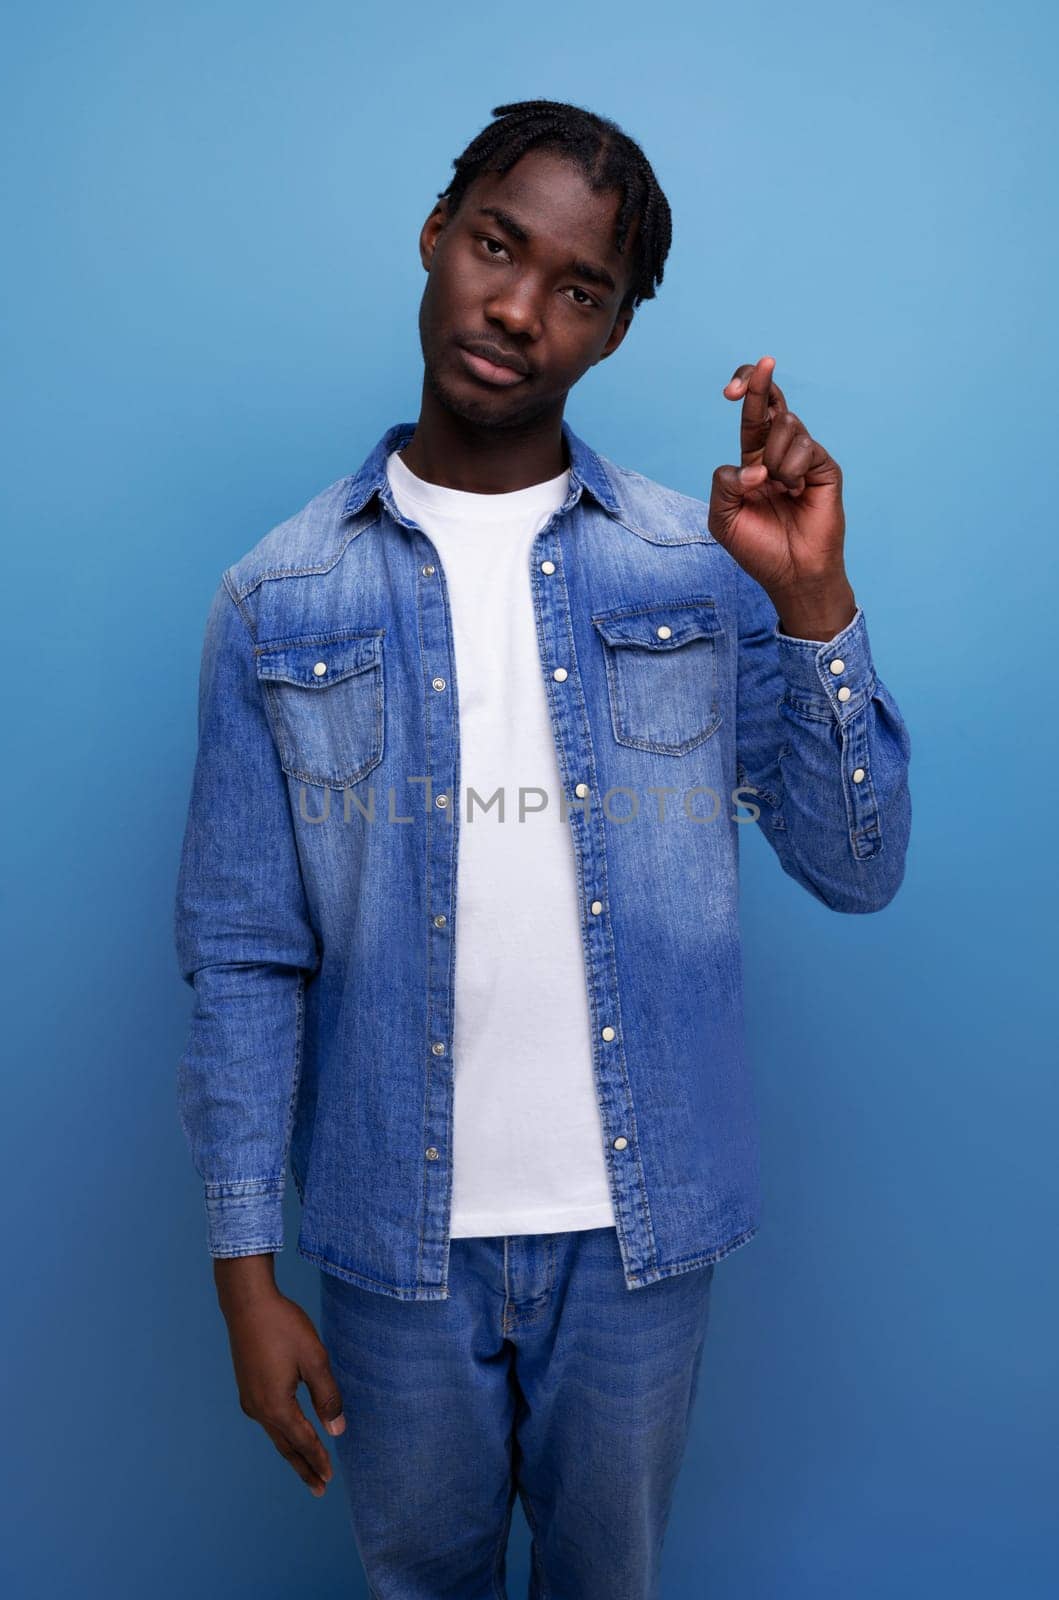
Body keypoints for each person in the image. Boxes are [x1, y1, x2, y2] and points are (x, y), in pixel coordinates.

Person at [173, 98, 912, 1598]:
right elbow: (244, 951)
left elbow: (857, 862)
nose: (518, 308)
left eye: (580, 288)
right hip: (393, 1244)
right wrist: (246, 1276)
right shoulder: (279, 598)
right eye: (498, 247)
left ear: (618, 332)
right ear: (438, 233)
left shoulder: (696, 573)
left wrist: (813, 602)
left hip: (641, 1242)